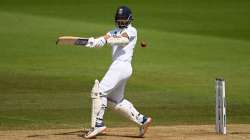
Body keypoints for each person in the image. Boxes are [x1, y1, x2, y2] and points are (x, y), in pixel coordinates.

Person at [84, 6, 152, 139]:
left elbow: (123, 40)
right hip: (121, 68)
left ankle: (97, 125)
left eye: (123, 20)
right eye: (119, 20)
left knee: (98, 92)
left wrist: (107, 40)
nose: (121, 22)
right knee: (115, 100)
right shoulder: (113, 31)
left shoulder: (132, 30)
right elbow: (104, 38)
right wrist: (94, 42)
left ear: (129, 19)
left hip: (121, 66)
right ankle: (142, 120)